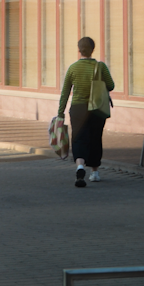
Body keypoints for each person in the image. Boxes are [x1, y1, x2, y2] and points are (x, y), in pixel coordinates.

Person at [57, 37, 114, 187]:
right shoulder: (100, 66)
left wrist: (60, 112)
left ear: (79, 50)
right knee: (95, 138)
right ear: (92, 50)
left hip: (78, 108)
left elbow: (65, 93)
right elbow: (111, 85)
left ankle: (80, 166)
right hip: (97, 108)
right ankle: (94, 173)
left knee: (79, 138)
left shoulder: (73, 68)